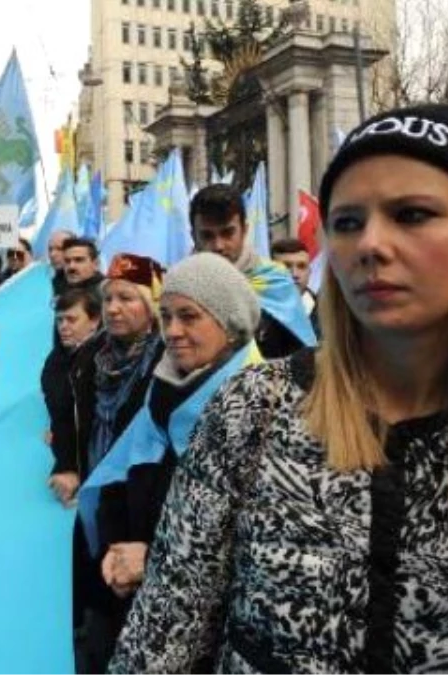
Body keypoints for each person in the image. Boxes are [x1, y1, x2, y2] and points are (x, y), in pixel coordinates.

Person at [112, 105, 448, 672]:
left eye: (412, 214)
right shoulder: (254, 411)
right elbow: (163, 630)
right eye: (345, 222)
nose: (370, 244)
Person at [75, 252, 261, 671]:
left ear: (230, 325)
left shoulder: (263, 411)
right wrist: (115, 550)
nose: (173, 331)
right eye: (167, 316)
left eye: (189, 316)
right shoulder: (161, 393)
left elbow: (255, 546)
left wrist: (154, 558)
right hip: (139, 613)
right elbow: (116, 479)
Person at [71, 252, 166, 675]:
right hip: (94, 501)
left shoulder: (168, 364)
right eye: (108, 299)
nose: (113, 309)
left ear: (151, 306)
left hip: (140, 515)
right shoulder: (90, 358)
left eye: (127, 298)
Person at [190, 184, 317, 358]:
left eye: (227, 233)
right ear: (193, 237)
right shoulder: (181, 290)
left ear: (244, 230)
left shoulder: (275, 283)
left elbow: (304, 358)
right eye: (207, 236)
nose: (218, 245)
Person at [41, 287, 103, 507]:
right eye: (59, 320)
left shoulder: (105, 360)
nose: (63, 327)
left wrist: (77, 473)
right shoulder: (54, 362)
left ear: (94, 321)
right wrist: (64, 466)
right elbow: (62, 419)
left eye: (71, 319)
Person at [271, 237, 316, 316]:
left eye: (301, 266)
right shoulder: (253, 312)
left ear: (309, 272)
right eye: (286, 266)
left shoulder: (330, 313)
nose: (294, 274)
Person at [48, 229, 76, 295]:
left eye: (59, 249)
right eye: (50, 249)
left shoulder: (95, 285)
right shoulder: (50, 282)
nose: (52, 254)